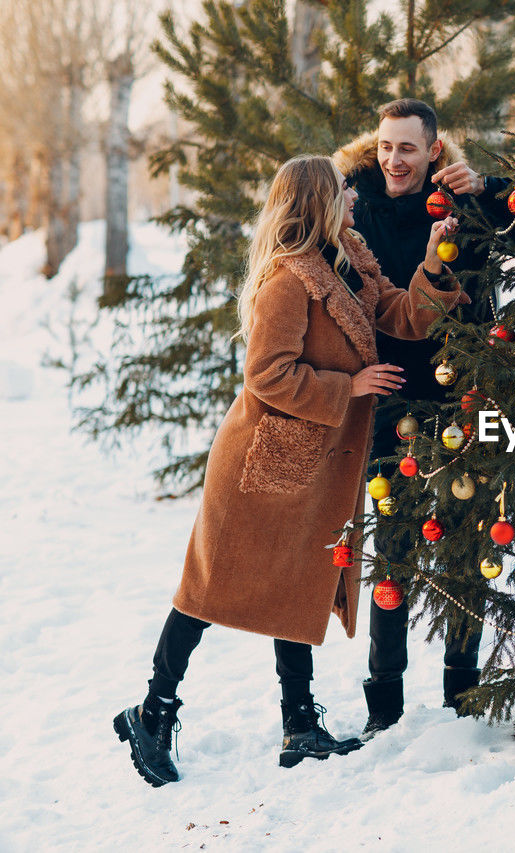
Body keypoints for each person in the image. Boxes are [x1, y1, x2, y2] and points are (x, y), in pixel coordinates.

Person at [112, 154, 469, 786]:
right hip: (263, 458)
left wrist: (435, 260)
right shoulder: (288, 279)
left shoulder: (351, 261)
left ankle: (299, 725)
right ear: (318, 204)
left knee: (303, 579)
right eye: (343, 191)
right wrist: (351, 385)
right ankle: (154, 710)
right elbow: (267, 374)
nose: (355, 199)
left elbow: (404, 317)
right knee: (210, 587)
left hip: (316, 462)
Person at [334, 99, 515, 736]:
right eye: (386, 146)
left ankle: (463, 691)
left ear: (434, 151)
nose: (394, 160)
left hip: (468, 399)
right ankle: (384, 705)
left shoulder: (466, 204)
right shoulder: (355, 211)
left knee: (468, 544)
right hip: (392, 399)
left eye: (408, 149)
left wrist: (490, 187)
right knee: (393, 553)